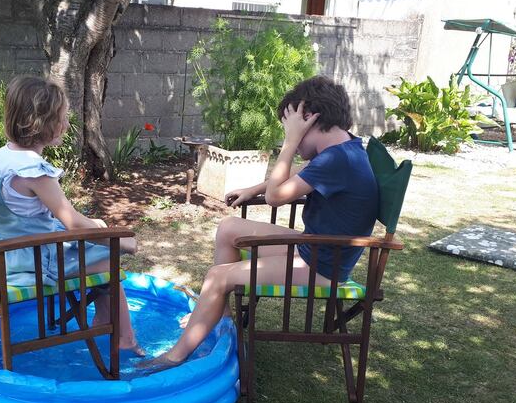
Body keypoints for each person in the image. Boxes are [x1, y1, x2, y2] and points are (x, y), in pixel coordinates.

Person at [139, 76, 378, 370]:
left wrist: (290, 144)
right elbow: (298, 179)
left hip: (323, 265)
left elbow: (277, 197)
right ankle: (220, 314)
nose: (288, 138)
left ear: (310, 121)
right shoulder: (343, 148)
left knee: (217, 276)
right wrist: (255, 189)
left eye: (291, 130)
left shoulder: (336, 160)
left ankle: (174, 356)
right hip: (316, 248)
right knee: (229, 228)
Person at [0, 75, 143, 355]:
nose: (67, 122)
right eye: (63, 117)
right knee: (107, 257)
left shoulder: (3, 156)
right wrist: (121, 241)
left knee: (95, 237)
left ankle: (103, 318)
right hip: (26, 261)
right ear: (44, 124)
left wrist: (96, 227)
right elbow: (72, 221)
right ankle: (125, 338)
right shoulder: (33, 171)